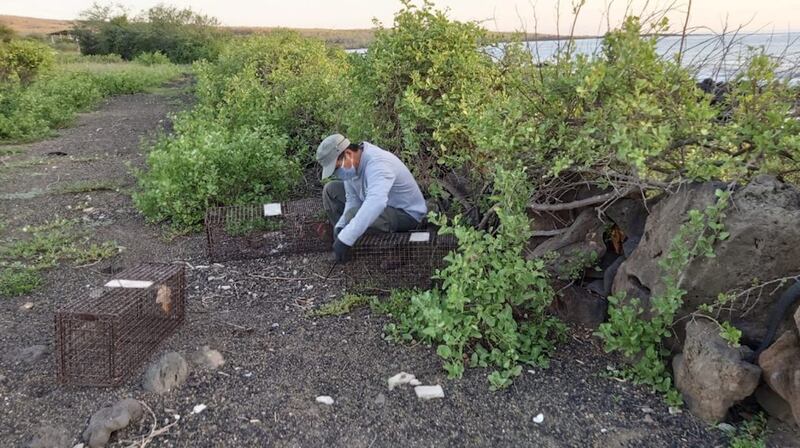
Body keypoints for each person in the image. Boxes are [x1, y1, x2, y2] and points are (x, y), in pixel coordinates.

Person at [316, 133, 427, 262]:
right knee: (331, 190)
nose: (337, 174)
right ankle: (347, 245)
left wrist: (346, 237)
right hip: (379, 206)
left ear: (348, 154)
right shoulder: (351, 166)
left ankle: (397, 248)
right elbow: (352, 200)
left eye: (336, 168)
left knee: (358, 215)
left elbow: (376, 203)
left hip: (407, 214)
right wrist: (341, 226)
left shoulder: (378, 163)